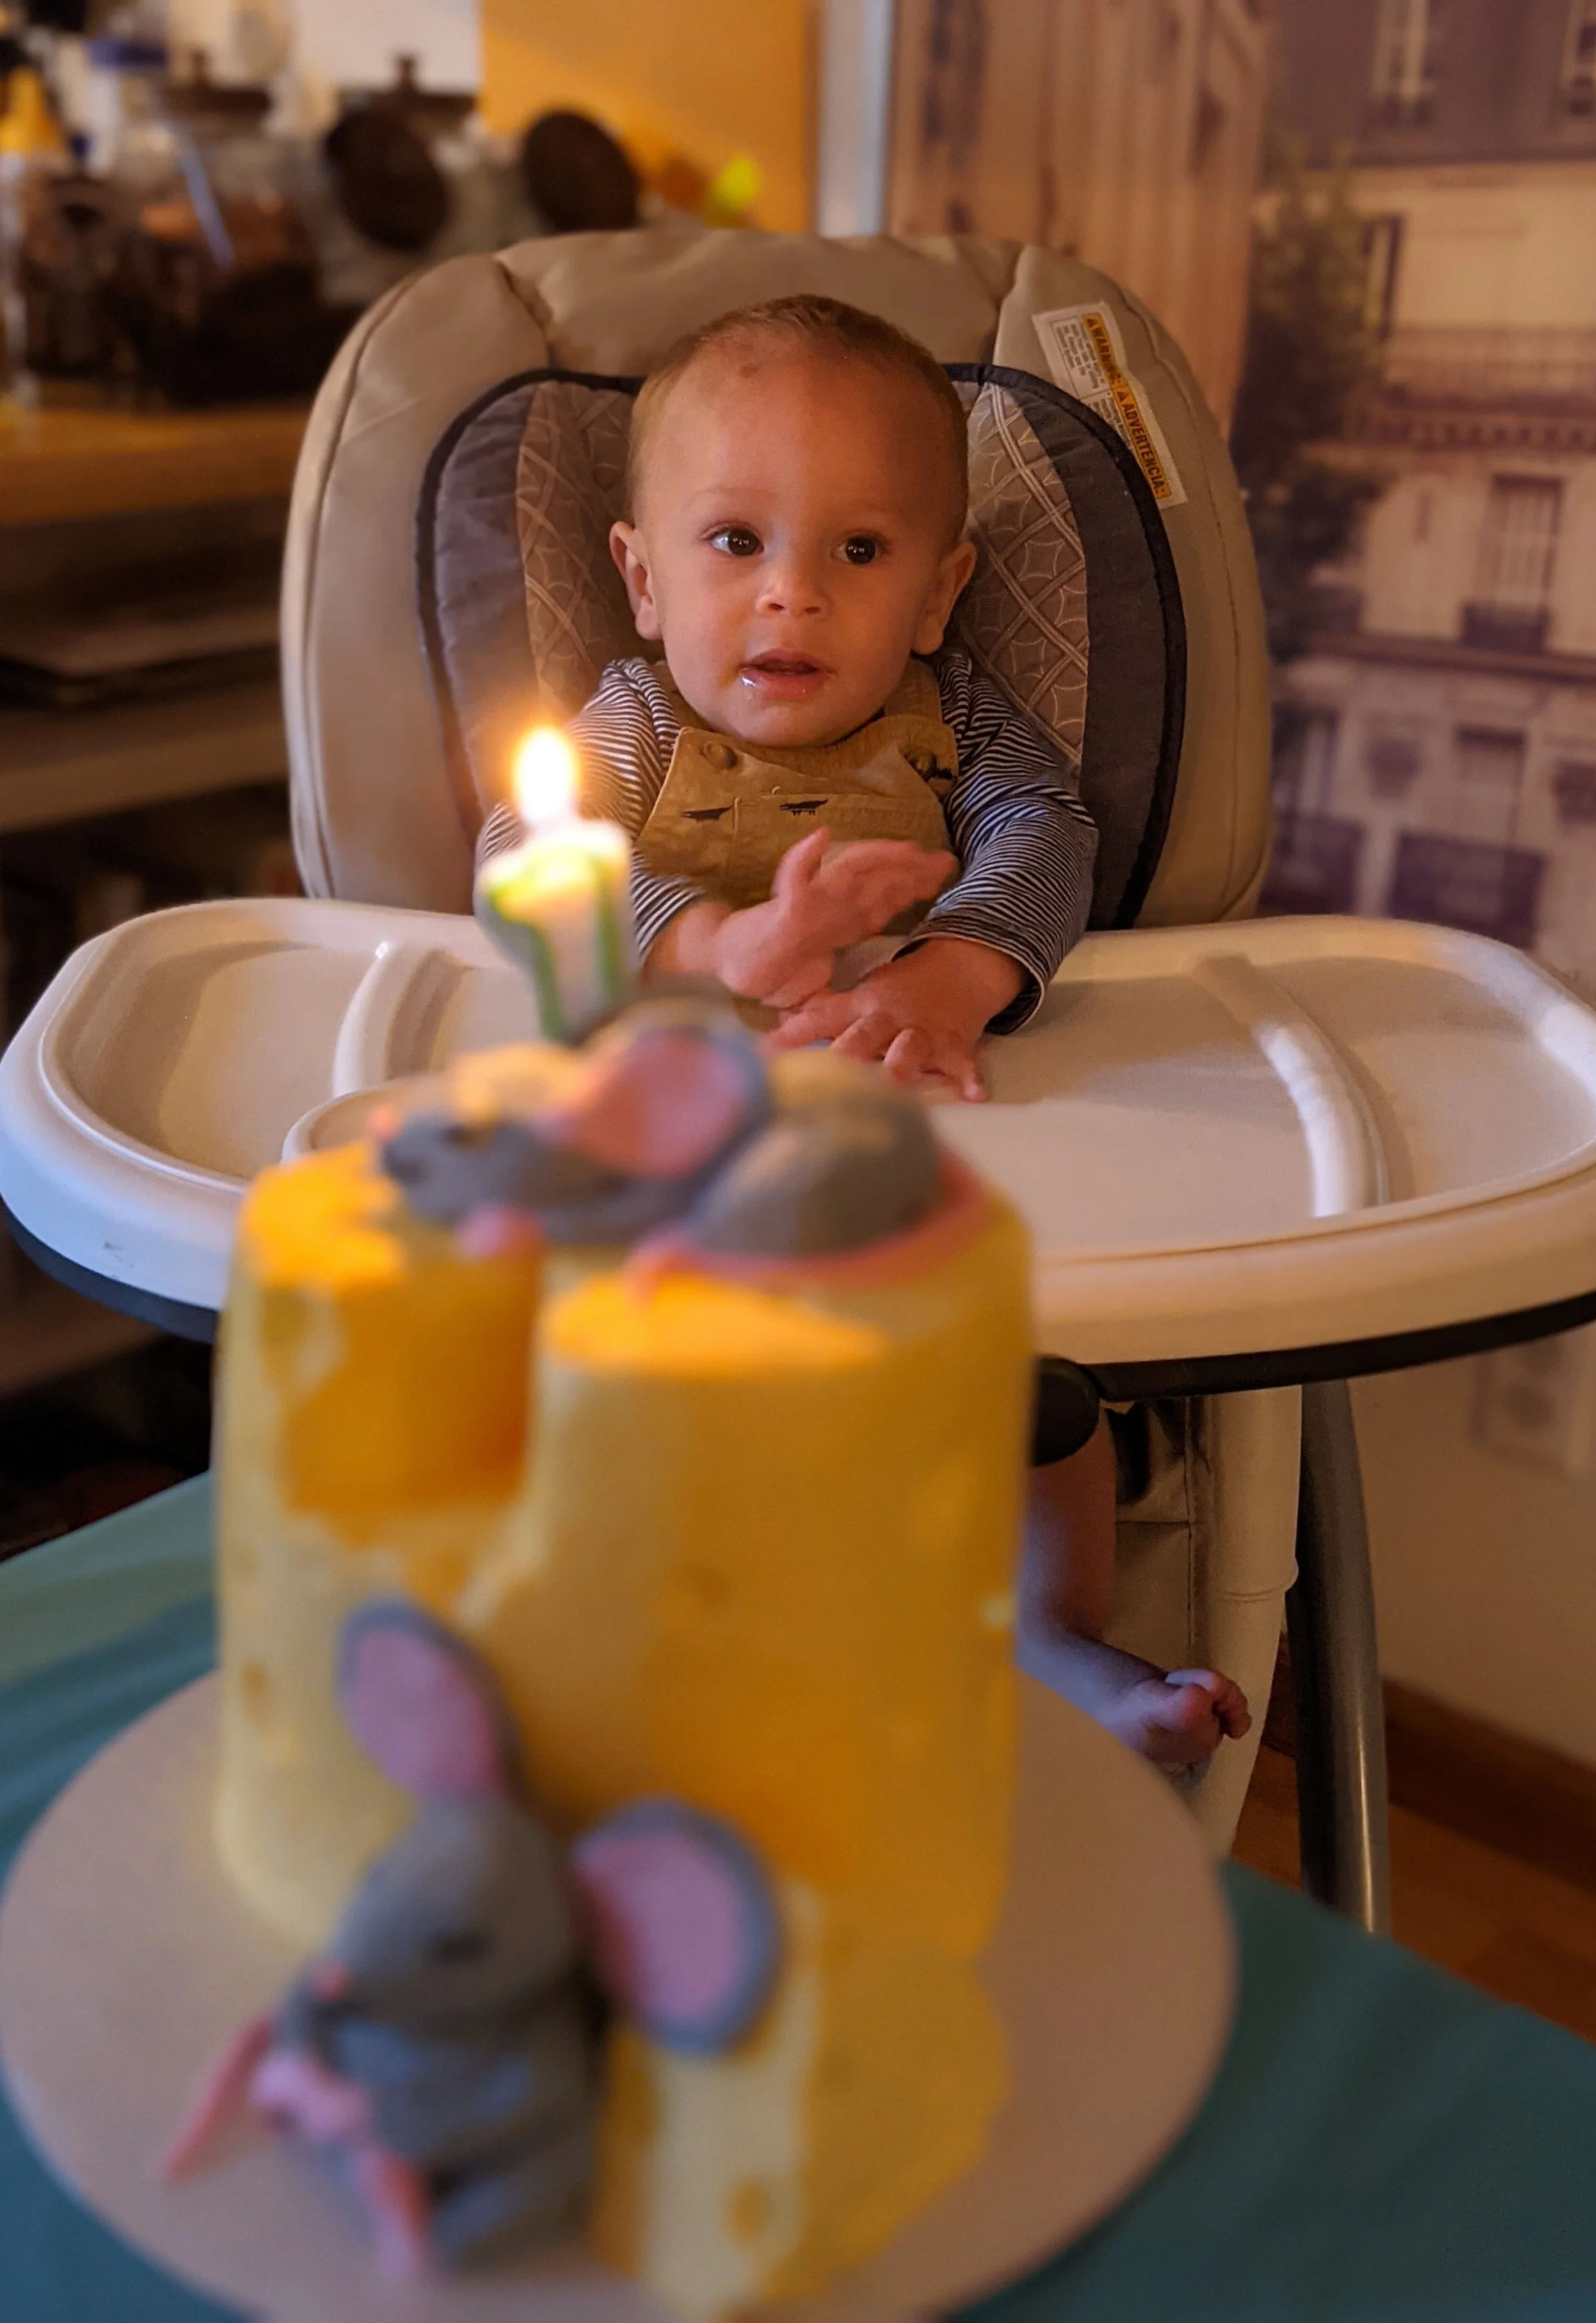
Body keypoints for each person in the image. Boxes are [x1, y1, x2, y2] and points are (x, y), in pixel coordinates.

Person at [476, 293, 1249, 1768]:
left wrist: (945, 977)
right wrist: (721, 943)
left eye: (857, 550)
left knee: (1036, 1379)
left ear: (941, 589)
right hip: (688, 1159)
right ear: (639, 578)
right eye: (733, 542)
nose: (792, 597)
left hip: (930, 1134)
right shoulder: (632, 727)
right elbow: (525, 857)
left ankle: (1043, 1638)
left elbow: (1046, 832)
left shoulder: (949, 718)